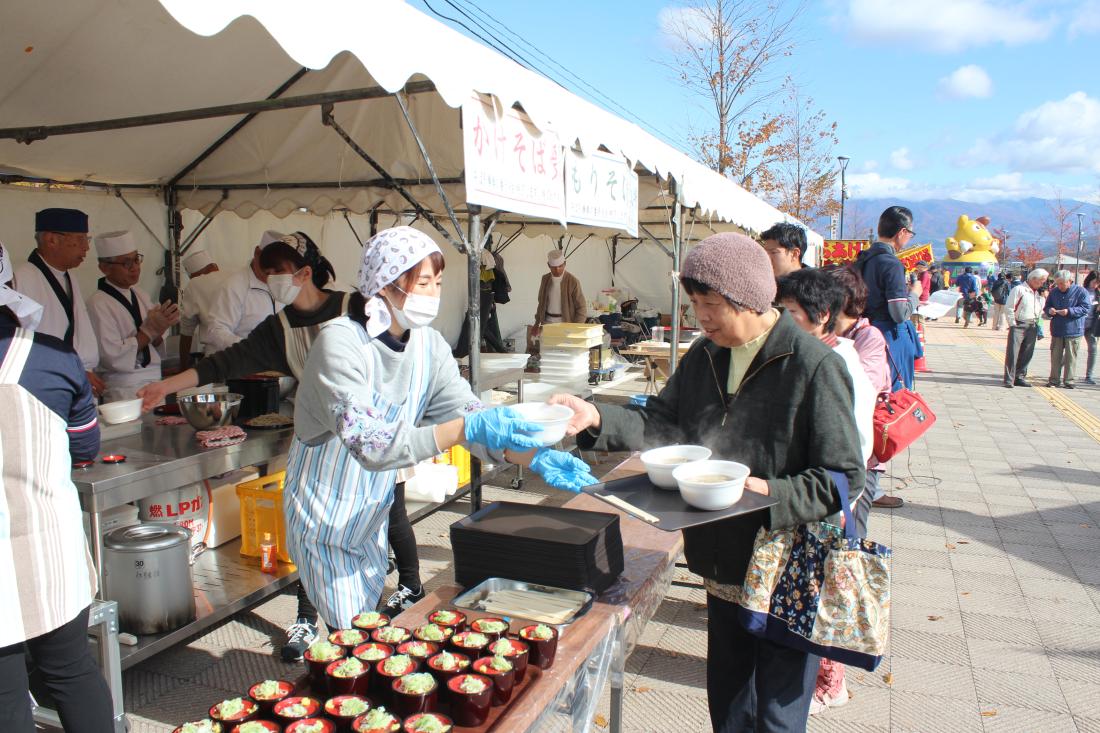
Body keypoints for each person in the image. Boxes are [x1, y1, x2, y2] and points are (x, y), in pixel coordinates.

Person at [551, 233, 864, 732]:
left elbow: (844, 476)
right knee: (730, 702)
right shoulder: (705, 354)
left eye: (711, 304)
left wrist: (774, 492)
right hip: (723, 561)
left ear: (750, 297)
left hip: (787, 565)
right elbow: (662, 424)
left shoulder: (813, 366)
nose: (702, 317)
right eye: (695, 303)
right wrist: (594, 418)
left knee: (779, 714)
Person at [284, 226, 595, 629]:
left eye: (438, 282)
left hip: (368, 513)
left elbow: (467, 415)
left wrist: (532, 455)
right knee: (356, 639)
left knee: (361, 634)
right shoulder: (341, 343)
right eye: (423, 283)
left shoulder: (427, 346)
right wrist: (470, 423)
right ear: (383, 286)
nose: (433, 294)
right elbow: (373, 446)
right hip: (324, 514)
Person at [139, 232, 423, 659]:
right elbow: (223, 361)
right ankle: (310, 618)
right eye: (266, 272)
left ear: (305, 273)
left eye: (279, 272)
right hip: (318, 445)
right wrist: (166, 386)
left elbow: (402, 352)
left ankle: (404, 589)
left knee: (386, 512)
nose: (271, 280)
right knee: (309, 530)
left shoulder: (356, 308)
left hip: (372, 435)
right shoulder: (279, 327)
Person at [0, 241, 115, 733]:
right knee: (70, 670)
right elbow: (85, 450)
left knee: (4, 694)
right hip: (47, 546)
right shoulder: (51, 359)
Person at [826, 265, 899, 520]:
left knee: (851, 534)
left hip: (860, 456)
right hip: (829, 451)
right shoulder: (828, 333)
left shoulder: (869, 337)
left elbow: (860, 392)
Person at [12, 208, 104, 398]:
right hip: (47, 386)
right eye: (80, 240)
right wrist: (72, 371)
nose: (86, 248)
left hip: (79, 379)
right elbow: (22, 346)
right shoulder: (22, 279)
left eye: (86, 240)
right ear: (52, 239)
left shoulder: (68, 276)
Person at [85, 231, 179, 403]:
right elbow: (111, 356)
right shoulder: (97, 303)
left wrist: (161, 327)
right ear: (104, 267)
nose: (135, 267)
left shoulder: (140, 294)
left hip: (154, 382)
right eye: (126, 263)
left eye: (136, 259)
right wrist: (149, 331)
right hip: (123, 389)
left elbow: (156, 343)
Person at [854, 206, 922, 391]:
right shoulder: (891, 264)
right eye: (910, 233)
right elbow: (899, 313)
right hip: (890, 336)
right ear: (902, 232)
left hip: (863, 333)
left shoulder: (862, 260)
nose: (909, 238)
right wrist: (914, 294)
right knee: (894, 396)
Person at [203, 230, 286, 353]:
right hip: (234, 364)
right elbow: (216, 331)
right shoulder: (233, 286)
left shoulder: (282, 287)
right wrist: (252, 348)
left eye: (278, 270)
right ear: (257, 253)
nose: (272, 274)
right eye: (267, 268)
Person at [453, 248, 507, 357]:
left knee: (479, 326)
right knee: (478, 326)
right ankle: (500, 350)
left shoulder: (486, 262)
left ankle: (500, 350)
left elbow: (487, 284)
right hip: (483, 296)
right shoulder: (484, 260)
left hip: (484, 296)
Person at [1043, 270, 1091, 389]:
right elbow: (1047, 306)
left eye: (1062, 283)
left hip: (1074, 329)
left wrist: (1069, 311)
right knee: (1055, 356)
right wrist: (1050, 311)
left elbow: (1085, 308)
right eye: (1057, 283)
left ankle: (1069, 380)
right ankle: (1054, 380)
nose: (1059, 286)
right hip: (1057, 329)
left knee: (1071, 357)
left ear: (1070, 281)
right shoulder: (1054, 292)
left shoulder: (1081, 292)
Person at [177, 248, 223, 369]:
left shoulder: (195, 285)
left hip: (216, 360)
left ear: (195, 276)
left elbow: (186, 332)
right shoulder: (235, 278)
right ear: (215, 266)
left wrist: (183, 368)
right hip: (247, 355)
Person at [1003, 268, 1048, 387]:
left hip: (1032, 324)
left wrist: (1043, 297)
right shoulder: (1019, 289)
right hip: (1019, 323)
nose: (1042, 284)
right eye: (1041, 281)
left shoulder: (1039, 293)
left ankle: (1020, 376)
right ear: (1033, 279)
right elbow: (1009, 307)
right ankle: (1009, 378)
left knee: (1027, 352)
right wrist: (1012, 323)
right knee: (1013, 352)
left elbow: (1041, 309)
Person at [533, 249, 586, 332]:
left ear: (565, 264)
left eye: (560, 266)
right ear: (548, 265)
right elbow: (541, 303)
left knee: (563, 345)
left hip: (566, 325)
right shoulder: (545, 279)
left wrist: (576, 328)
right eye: (554, 267)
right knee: (547, 345)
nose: (557, 270)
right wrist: (536, 323)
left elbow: (581, 308)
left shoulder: (573, 281)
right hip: (547, 324)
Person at [1083, 271, 1098, 385]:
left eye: (1097, 283)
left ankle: (1089, 376)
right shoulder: (1082, 291)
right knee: (1072, 350)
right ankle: (1058, 370)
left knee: (1093, 350)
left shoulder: (1098, 293)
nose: (1095, 285)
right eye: (1094, 282)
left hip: (1092, 325)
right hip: (1080, 324)